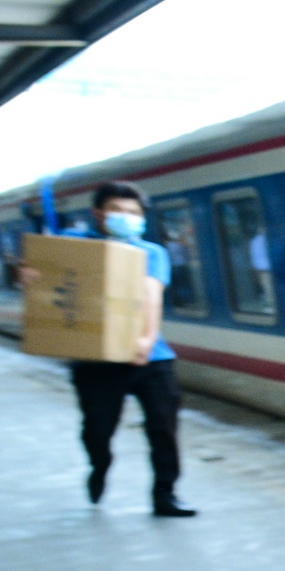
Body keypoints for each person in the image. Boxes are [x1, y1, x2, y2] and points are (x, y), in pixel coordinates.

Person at [50, 182, 196, 517]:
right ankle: (99, 465)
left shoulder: (152, 253)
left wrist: (146, 339)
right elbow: (41, 273)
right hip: (96, 360)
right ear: (98, 214)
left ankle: (166, 494)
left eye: (133, 213)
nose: (126, 218)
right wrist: (28, 273)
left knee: (164, 428)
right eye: (118, 211)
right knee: (97, 429)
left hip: (152, 358)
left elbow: (151, 295)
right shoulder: (73, 246)